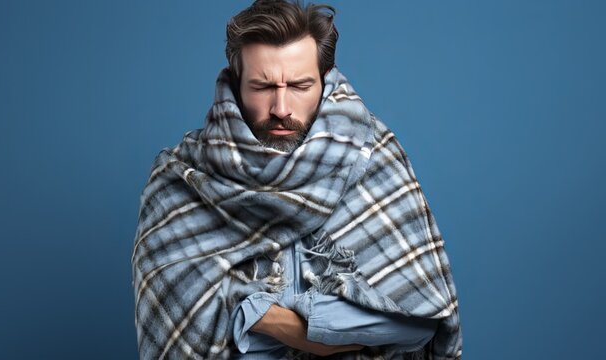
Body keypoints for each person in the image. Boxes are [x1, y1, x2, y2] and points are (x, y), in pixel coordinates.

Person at [131, 1, 462, 359]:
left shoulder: (372, 156)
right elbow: (171, 308)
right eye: (262, 86)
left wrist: (255, 314)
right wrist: (291, 323)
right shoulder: (183, 175)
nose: (281, 108)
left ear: (326, 82)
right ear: (235, 84)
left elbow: (419, 320)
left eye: (300, 86)